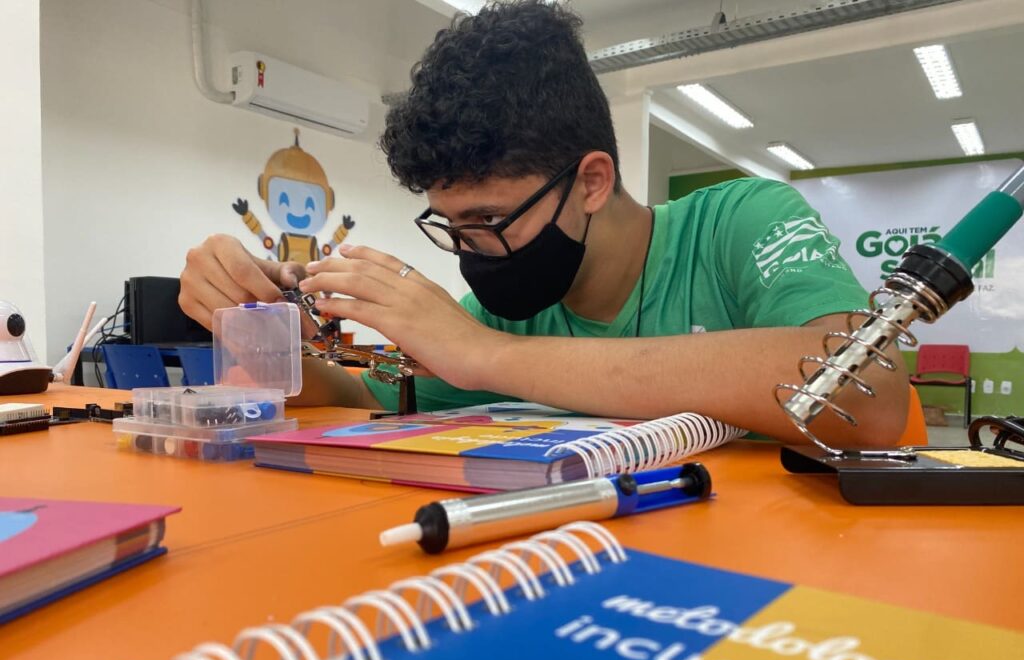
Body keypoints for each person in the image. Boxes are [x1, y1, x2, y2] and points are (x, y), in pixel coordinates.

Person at [179, 0, 908, 446]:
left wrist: (484, 355)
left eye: (492, 218)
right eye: (454, 225)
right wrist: (251, 331)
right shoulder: (512, 314)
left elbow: (862, 393)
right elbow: (353, 399)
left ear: (591, 181)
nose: (474, 251)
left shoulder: (740, 219)